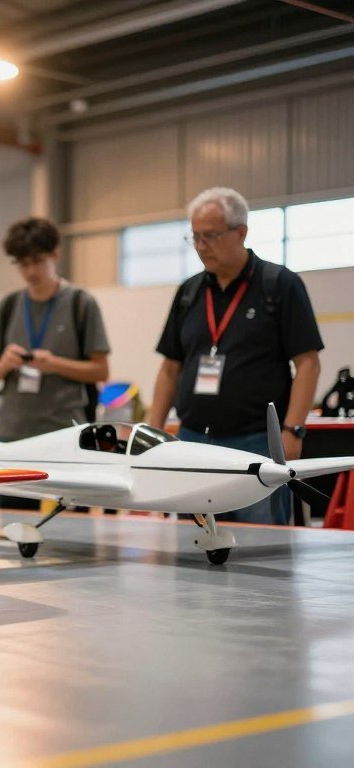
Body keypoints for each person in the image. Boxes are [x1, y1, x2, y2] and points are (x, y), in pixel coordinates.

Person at [147, 187, 323, 525]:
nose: (200, 246)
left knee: (260, 545)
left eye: (210, 236)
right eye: (194, 237)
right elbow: (170, 368)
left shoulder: (279, 285)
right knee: (191, 546)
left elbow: (308, 363)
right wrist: (153, 434)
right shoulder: (188, 292)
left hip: (256, 443)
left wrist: (293, 430)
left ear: (241, 232)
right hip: (193, 442)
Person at [0, 217, 110, 509]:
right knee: (14, 527)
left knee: (72, 532)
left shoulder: (80, 303)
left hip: (65, 437)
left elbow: (101, 370)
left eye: (37, 261)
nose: (30, 271)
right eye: (22, 264)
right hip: (13, 437)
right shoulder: (8, 306)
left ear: (55, 254)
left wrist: (55, 364)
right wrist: (5, 364)